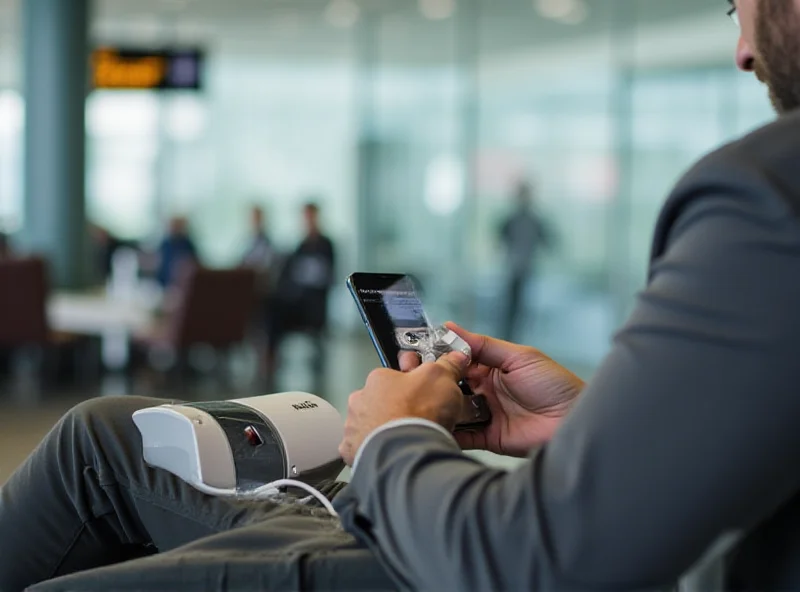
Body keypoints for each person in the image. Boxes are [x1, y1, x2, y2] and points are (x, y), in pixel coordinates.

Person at [3, 0, 800, 589]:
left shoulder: (769, 189)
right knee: (100, 441)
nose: (741, 48)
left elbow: (542, 562)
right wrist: (585, 427)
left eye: (739, 5)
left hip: (489, 564)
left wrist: (393, 438)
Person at [265, 202, 335, 388]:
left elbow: (327, 276)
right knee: (273, 307)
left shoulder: (326, 245)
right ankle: (270, 361)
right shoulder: (300, 246)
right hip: (294, 302)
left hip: (313, 305)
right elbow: (290, 275)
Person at [498, 181, 552, 341]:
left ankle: (515, 338)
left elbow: (547, 241)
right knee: (511, 306)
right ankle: (509, 338)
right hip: (514, 268)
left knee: (521, 306)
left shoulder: (533, 221)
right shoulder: (513, 220)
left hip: (526, 268)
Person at [155, 216, 199, 289]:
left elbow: (193, 263)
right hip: (165, 283)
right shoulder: (165, 243)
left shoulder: (187, 244)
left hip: (183, 285)